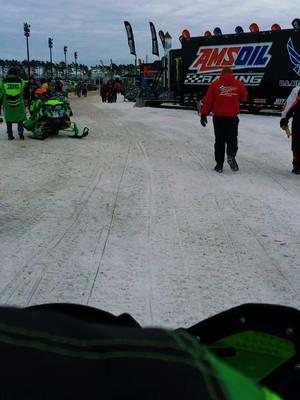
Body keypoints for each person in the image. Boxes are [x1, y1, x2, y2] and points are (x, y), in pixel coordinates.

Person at [200, 67, 248, 173]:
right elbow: (244, 97)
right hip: (232, 118)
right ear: (231, 74)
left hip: (219, 118)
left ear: (221, 74)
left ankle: (219, 164)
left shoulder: (215, 84)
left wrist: (204, 114)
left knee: (219, 141)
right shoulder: (239, 84)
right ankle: (231, 154)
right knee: (232, 138)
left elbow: (208, 101)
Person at [0, 67, 27, 140]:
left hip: (8, 103)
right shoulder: (21, 81)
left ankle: (10, 135)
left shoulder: (3, 81)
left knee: (9, 119)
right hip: (19, 102)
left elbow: (1, 92)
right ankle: (20, 132)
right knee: (20, 118)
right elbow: (22, 91)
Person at [280, 84, 300, 174]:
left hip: (298, 122)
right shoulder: (297, 90)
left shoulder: (297, 89)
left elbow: (290, 105)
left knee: (297, 144)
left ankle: (297, 165)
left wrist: (284, 118)